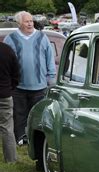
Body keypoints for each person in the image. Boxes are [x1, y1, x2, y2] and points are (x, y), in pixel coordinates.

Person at [3, 11, 55, 146]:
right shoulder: (11, 39)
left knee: (38, 115)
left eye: (31, 21)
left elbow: (50, 58)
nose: (30, 23)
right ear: (19, 23)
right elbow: (6, 61)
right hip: (18, 85)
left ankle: (36, 140)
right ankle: (21, 138)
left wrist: (51, 77)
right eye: (27, 21)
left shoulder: (42, 37)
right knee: (19, 114)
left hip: (40, 85)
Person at [0, 42, 20, 163]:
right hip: (4, 94)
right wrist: (10, 87)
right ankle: (11, 159)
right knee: (7, 128)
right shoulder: (7, 50)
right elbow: (16, 74)